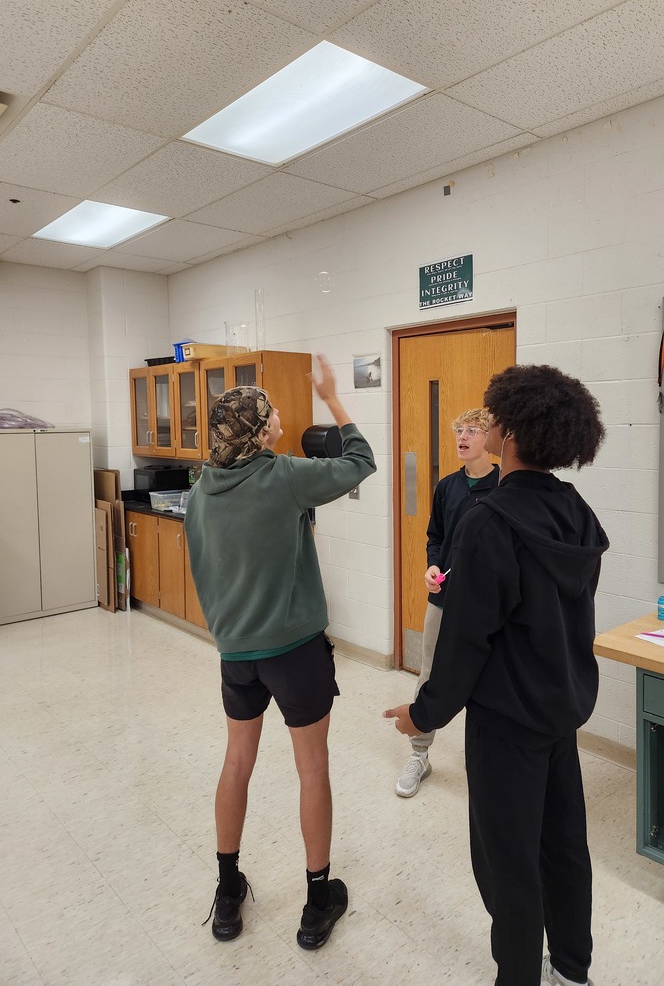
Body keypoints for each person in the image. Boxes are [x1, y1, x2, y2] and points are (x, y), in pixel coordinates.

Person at [384, 364, 609, 986]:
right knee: (564, 847)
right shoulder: (576, 512)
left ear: (506, 433)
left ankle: (518, 975)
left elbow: (463, 644)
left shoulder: (491, 521)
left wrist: (421, 714)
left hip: (507, 724)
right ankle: (571, 968)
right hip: (560, 712)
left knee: (507, 861)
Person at [185, 355, 376, 950]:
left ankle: (226, 895)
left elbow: (205, 571)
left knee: (236, 762)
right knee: (311, 768)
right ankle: (318, 901)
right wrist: (334, 399)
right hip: (294, 652)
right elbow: (360, 461)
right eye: (270, 414)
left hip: (236, 653)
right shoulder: (286, 476)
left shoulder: (199, 493)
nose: (278, 418)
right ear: (260, 428)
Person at [395, 408, 498, 798]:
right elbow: (434, 535)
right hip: (443, 600)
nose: (463, 436)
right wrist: (432, 565)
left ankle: (488, 763)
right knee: (430, 674)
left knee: (491, 683)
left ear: (490, 438)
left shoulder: (506, 485)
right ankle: (420, 755)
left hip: (488, 605)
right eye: (459, 429)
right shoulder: (447, 487)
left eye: (473, 430)